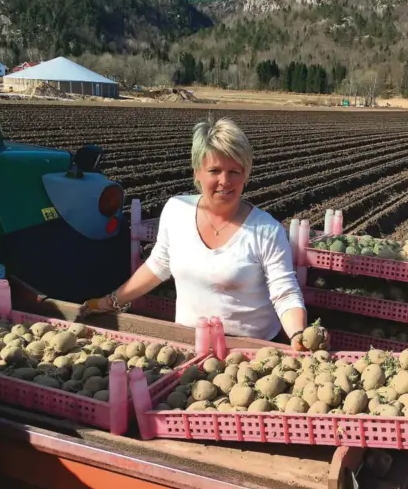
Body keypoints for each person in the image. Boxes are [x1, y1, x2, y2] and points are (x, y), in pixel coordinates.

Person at [81, 116, 308, 346]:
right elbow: (158, 265)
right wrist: (110, 301)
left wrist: (299, 335)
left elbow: (285, 293)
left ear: (246, 174)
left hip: (249, 351)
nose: (225, 181)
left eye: (234, 172)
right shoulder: (177, 211)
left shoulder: (266, 230)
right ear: (197, 172)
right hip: (189, 343)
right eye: (214, 170)